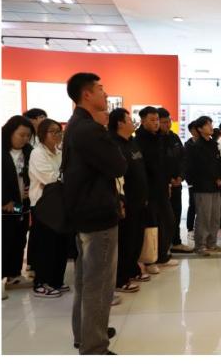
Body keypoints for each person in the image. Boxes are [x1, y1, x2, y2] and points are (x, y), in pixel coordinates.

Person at [63, 72, 127, 354]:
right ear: (86, 94)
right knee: (98, 284)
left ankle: (86, 333)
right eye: (101, 89)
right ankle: (95, 347)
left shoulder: (76, 125)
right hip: (97, 214)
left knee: (85, 280)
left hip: (83, 213)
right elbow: (119, 165)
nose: (105, 94)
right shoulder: (90, 130)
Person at [28, 118, 71, 297]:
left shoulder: (59, 153)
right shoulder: (37, 153)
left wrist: (63, 178)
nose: (57, 135)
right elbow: (50, 178)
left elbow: (64, 175)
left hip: (60, 204)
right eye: (52, 131)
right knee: (45, 245)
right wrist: (63, 178)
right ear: (42, 134)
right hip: (43, 206)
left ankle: (56, 280)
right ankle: (41, 282)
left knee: (60, 245)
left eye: (59, 131)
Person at [108, 108, 148, 292]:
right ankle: (120, 278)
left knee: (136, 238)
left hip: (140, 200)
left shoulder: (132, 142)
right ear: (120, 123)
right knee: (125, 240)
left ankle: (132, 269)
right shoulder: (113, 144)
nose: (133, 123)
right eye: (129, 120)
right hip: (126, 200)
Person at [134, 105, 176, 273]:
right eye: (152, 120)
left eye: (157, 119)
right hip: (148, 190)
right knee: (151, 225)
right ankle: (149, 260)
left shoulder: (159, 138)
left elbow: (163, 164)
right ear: (143, 121)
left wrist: (167, 183)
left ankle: (162, 256)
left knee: (168, 221)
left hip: (161, 188)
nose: (156, 123)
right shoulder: (138, 140)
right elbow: (142, 169)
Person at [185, 116, 221, 255]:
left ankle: (211, 243)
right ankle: (200, 245)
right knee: (203, 217)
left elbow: (220, 163)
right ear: (200, 129)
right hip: (203, 186)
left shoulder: (213, 144)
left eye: (211, 124)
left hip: (216, 187)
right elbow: (197, 168)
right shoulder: (196, 147)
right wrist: (214, 178)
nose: (211, 127)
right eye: (207, 125)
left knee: (215, 216)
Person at [1, 115, 34, 286]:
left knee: (19, 237)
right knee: (5, 238)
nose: (25, 139)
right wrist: (5, 200)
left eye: (28, 135)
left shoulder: (29, 151)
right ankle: (1, 276)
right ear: (10, 132)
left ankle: (14, 273)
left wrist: (31, 187)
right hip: (5, 205)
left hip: (23, 205)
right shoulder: (0, 151)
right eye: (21, 134)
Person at [158, 108, 191, 253]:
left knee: (176, 214)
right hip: (163, 186)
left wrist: (181, 176)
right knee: (163, 217)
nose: (168, 124)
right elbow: (157, 163)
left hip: (177, 184)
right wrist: (168, 179)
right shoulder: (156, 140)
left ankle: (176, 242)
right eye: (164, 122)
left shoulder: (174, 137)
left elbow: (184, 158)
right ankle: (162, 247)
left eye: (169, 121)